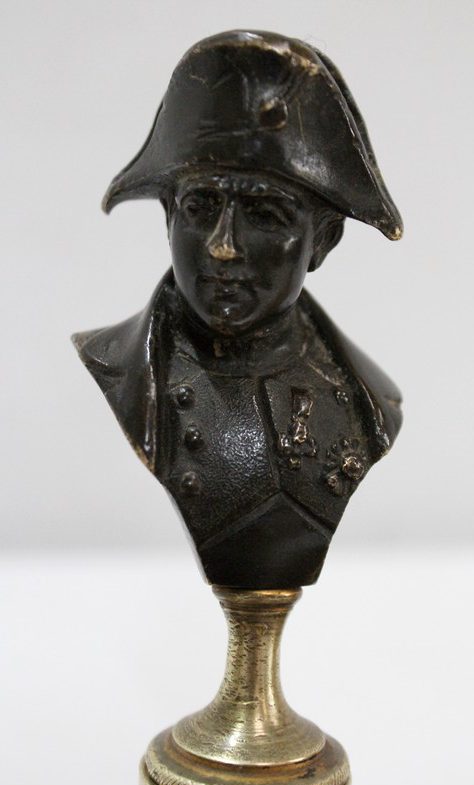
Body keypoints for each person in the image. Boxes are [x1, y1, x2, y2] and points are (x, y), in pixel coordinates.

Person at [73, 30, 403, 588]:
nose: (223, 246)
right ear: (168, 217)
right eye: (201, 206)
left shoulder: (370, 402)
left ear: (322, 243)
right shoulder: (113, 366)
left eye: (265, 214)